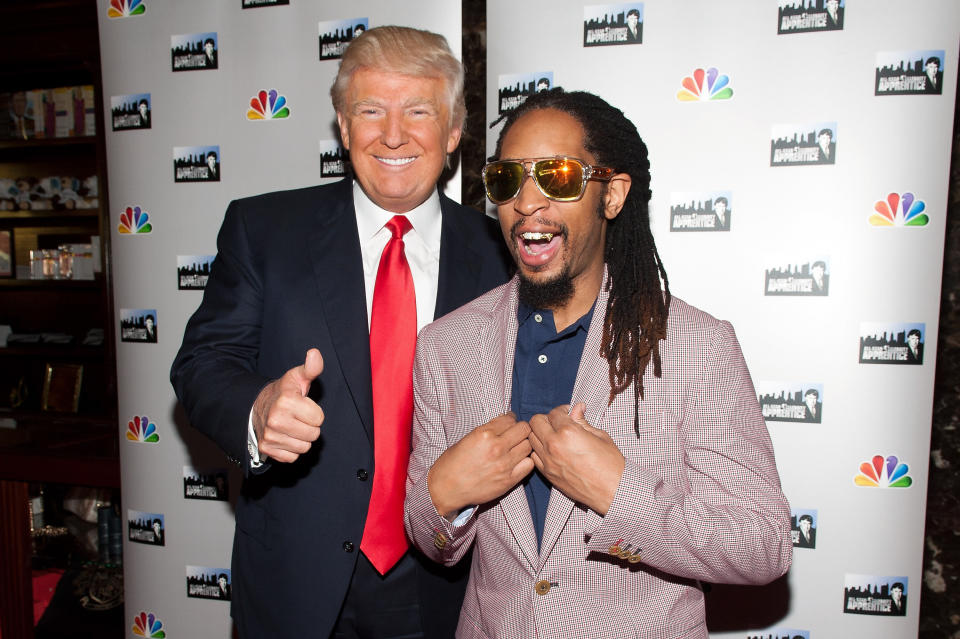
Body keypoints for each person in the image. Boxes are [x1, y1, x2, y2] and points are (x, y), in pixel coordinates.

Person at [404, 88, 792, 637]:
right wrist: (446, 496)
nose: (527, 202)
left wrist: (619, 493)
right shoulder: (447, 344)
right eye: (507, 179)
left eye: (557, 176)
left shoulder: (695, 344)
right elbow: (432, 540)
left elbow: (763, 544)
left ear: (611, 196)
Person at [170, 26, 510, 639]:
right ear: (344, 126)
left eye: (419, 111)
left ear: (455, 131)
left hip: (451, 582)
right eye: (371, 111)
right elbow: (203, 364)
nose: (394, 134)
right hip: (294, 580)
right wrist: (257, 407)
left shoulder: (504, 254)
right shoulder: (264, 229)